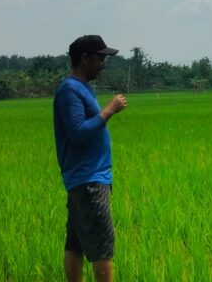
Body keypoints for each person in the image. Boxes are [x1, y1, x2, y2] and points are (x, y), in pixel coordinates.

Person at [53, 35, 128, 282]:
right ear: (85, 59)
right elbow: (77, 133)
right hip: (88, 181)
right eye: (100, 58)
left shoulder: (81, 87)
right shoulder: (70, 90)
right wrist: (110, 110)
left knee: (76, 243)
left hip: (87, 178)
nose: (103, 64)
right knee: (102, 247)